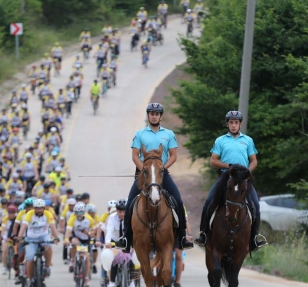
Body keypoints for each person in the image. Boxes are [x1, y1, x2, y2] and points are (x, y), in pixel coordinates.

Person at [114, 103, 194, 251]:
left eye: (157, 114)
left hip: (161, 173)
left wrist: (162, 169)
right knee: (130, 202)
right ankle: (126, 237)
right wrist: (145, 170)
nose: (154, 116)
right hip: (143, 174)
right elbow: (135, 156)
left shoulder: (169, 134)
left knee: (178, 200)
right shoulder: (140, 134)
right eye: (151, 113)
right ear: (148, 115)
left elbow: (173, 155)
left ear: (161, 116)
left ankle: (182, 237)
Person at [194, 110, 268, 251]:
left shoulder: (247, 140)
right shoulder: (220, 140)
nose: (233, 125)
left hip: (243, 178)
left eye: (236, 123)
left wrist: (247, 171)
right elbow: (213, 161)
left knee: (255, 205)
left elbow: (254, 161)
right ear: (227, 124)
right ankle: (203, 234)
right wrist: (228, 166)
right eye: (231, 123)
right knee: (209, 201)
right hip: (225, 177)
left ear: (240, 124)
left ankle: (254, 238)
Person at [18, 199, 59, 287]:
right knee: (30, 258)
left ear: (44, 208)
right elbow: (23, 226)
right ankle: (29, 279)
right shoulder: (30, 214)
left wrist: (56, 237)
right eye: (37, 208)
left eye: (41, 208)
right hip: (31, 238)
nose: (39, 210)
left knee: (48, 246)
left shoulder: (48, 214)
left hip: (44, 236)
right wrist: (20, 237)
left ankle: (47, 266)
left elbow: (52, 226)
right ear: (34, 208)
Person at [103, 199, 135, 287]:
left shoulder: (131, 217)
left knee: (132, 259)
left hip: (127, 240)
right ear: (116, 210)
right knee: (115, 258)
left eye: (124, 212)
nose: (122, 214)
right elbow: (109, 230)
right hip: (115, 240)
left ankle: (131, 281)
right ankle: (112, 282)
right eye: (120, 211)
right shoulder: (112, 217)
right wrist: (107, 242)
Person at [63, 202, 95, 287]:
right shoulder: (72, 218)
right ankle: (73, 259)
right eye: (77, 212)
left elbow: (93, 231)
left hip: (85, 239)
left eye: (81, 212)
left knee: (87, 257)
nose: (79, 214)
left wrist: (89, 233)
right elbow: (68, 230)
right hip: (76, 237)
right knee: (74, 242)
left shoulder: (89, 219)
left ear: (84, 212)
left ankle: (86, 277)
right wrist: (66, 239)